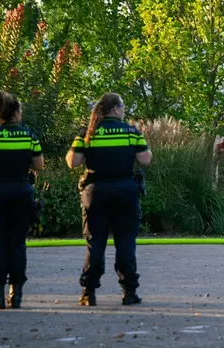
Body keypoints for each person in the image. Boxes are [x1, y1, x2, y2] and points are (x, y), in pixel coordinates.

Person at [65, 93, 152, 306]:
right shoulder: (131, 132)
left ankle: (88, 292)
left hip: (96, 192)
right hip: (125, 192)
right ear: (115, 109)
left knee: (95, 243)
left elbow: (73, 162)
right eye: (122, 106)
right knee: (125, 243)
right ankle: (129, 292)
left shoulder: (88, 133)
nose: (123, 110)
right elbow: (146, 160)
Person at [0, 90, 44, 309]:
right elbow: (39, 165)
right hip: (22, 191)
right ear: (15, 112)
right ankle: (17, 293)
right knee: (18, 244)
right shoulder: (29, 135)